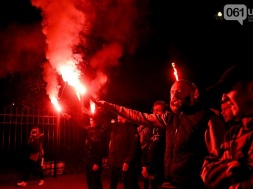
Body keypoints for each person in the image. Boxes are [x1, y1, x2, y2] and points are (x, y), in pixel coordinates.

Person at [92, 79, 226, 189]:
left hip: (192, 185)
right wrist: (109, 106)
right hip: (169, 183)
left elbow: (218, 160)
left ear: (193, 93)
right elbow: (139, 116)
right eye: (172, 92)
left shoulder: (206, 118)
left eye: (179, 91)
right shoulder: (170, 119)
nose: (174, 96)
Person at [201, 64, 253, 189]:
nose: (224, 97)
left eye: (229, 89)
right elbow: (206, 170)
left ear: (251, 88)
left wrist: (227, 169)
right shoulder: (234, 133)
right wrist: (240, 169)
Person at [140, 101, 167, 189]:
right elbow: (145, 148)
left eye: (158, 110)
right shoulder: (150, 129)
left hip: (158, 174)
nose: (155, 112)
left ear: (165, 112)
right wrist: (144, 167)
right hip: (146, 172)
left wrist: (154, 172)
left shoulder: (167, 130)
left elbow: (164, 153)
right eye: (154, 110)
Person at [109, 115, 141, 189]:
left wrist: (127, 161)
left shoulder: (131, 128)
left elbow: (134, 146)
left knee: (129, 184)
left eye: (119, 114)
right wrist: (93, 114)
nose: (117, 116)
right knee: (113, 184)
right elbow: (103, 122)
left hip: (125, 162)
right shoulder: (116, 126)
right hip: (114, 161)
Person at [84, 113, 107, 189]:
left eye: (91, 120)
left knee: (96, 182)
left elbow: (101, 149)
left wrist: (97, 162)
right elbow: (80, 125)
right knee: (90, 182)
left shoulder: (100, 132)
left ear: (95, 121)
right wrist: (70, 118)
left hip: (95, 161)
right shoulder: (90, 130)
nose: (90, 122)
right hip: (88, 161)